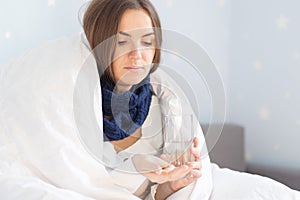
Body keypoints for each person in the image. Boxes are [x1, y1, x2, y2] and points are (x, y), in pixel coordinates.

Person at [82, 0, 205, 199]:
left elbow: (154, 194)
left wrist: (172, 187)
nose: (137, 55)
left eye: (147, 42)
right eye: (122, 42)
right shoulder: (78, 107)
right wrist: (134, 166)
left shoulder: (163, 107)